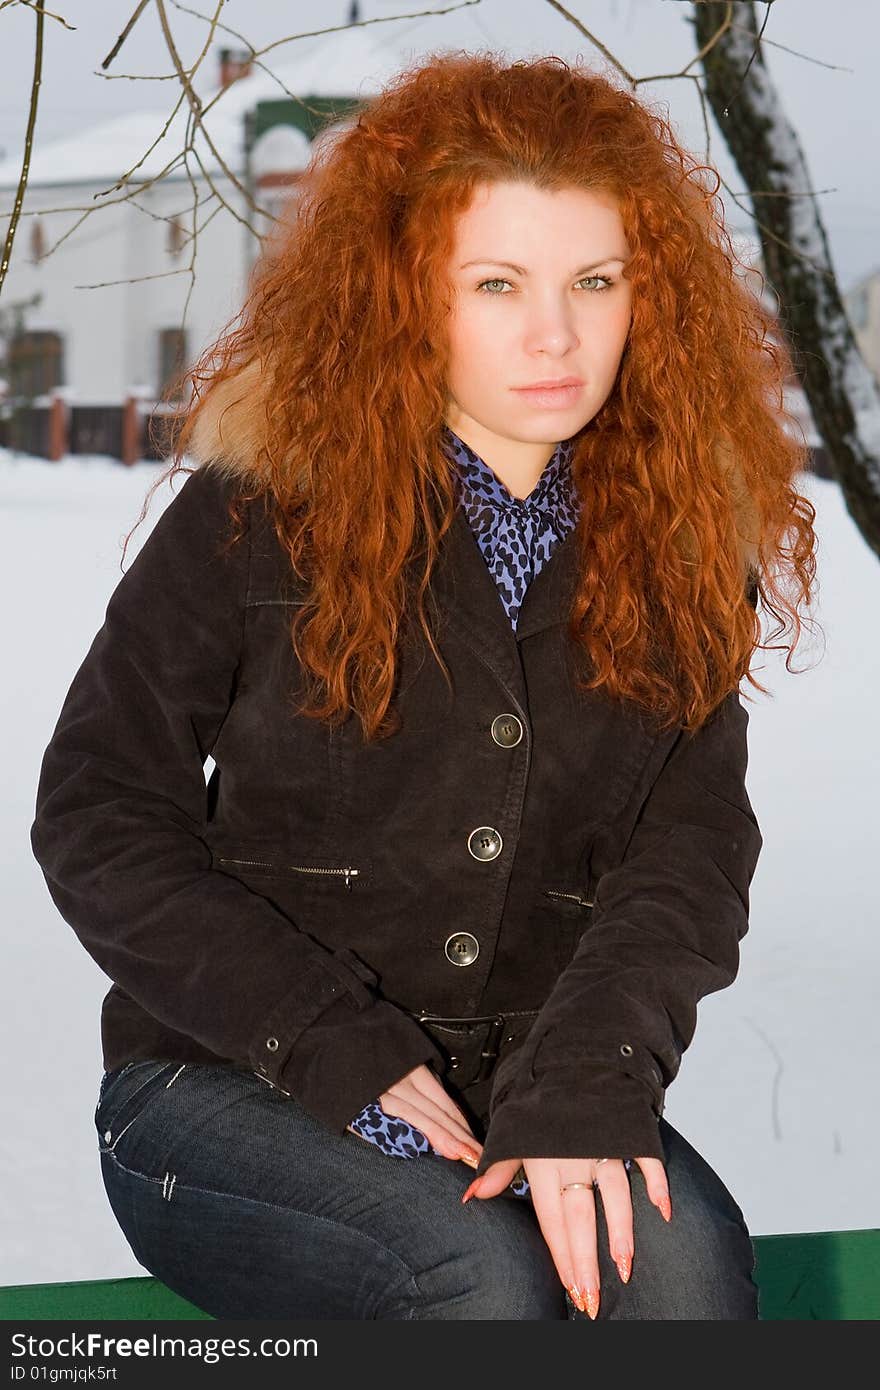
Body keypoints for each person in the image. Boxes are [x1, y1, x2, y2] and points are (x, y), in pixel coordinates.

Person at [30, 52, 815, 1321]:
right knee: (485, 1281)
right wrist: (328, 1038)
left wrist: (586, 1086)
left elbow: (689, 856)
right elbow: (101, 813)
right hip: (225, 1084)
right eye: (495, 283)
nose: (554, 334)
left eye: (594, 282)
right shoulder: (256, 512)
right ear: (406, 295)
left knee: (676, 1273)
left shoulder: (674, 549)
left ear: (644, 297)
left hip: (532, 1083)